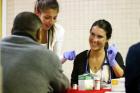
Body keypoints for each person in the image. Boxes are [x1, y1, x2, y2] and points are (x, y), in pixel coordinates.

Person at [0, 11, 69, 93]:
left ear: (12, 30)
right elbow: (64, 86)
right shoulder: (47, 56)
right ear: (39, 33)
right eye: (47, 17)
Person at [71, 19, 125, 87]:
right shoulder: (80, 58)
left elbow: (122, 79)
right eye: (92, 34)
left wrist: (113, 62)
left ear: (107, 39)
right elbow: (74, 84)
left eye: (99, 36)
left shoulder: (114, 56)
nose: (94, 40)